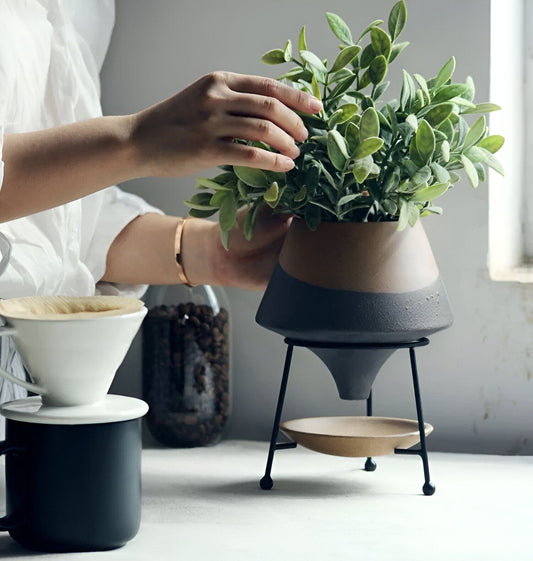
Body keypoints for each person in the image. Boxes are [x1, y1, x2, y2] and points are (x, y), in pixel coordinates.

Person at [0, 0, 321, 427]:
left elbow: (66, 226)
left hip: (19, 399)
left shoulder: (86, 8)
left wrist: (213, 251)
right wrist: (135, 141)